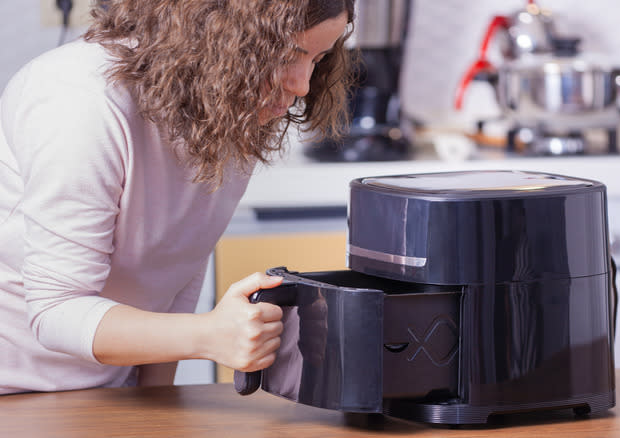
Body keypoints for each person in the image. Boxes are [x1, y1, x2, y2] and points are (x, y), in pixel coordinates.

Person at [0, 0, 355, 394]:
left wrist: (155, 403)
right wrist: (209, 335)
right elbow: (55, 311)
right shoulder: (78, 99)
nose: (302, 85)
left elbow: (174, 275)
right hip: (14, 394)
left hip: (111, 394)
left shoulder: (226, 108)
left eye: (317, 59)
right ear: (216, 30)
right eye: (287, 55)